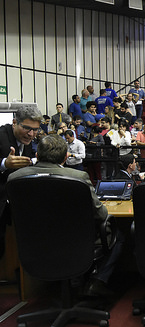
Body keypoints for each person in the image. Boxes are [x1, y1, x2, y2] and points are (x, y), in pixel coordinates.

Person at [8, 134, 123, 297]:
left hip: (34, 244)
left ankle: (72, 282)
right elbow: (101, 215)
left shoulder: (15, 177)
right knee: (117, 234)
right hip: (76, 243)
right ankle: (96, 281)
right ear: (66, 157)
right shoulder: (78, 177)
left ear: (36, 156)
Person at [0, 106, 42, 259]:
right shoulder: (1, 135)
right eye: (27, 128)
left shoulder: (27, 139)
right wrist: (4, 163)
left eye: (35, 130)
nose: (31, 134)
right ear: (14, 123)